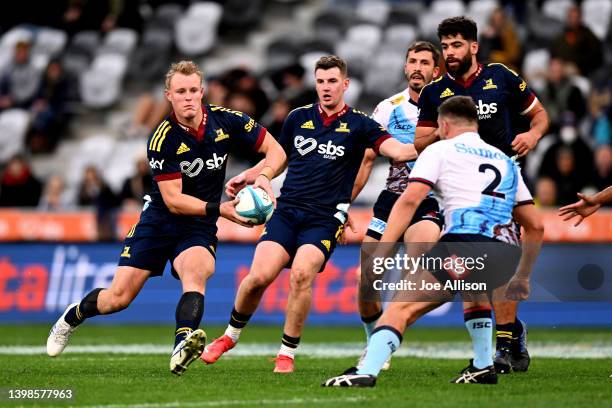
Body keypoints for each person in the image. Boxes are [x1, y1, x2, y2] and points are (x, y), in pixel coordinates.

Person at [46, 60, 287, 377]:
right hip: (159, 221)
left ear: (202, 92)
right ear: (168, 96)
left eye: (192, 90)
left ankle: (182, 344)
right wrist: (223, 209)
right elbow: (174, 201)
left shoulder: (227, 120)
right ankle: (72, 316)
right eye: (180, 92)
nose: (188, 97)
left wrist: (259, 175)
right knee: (118, 299)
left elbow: (277, 152)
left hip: (198, 224)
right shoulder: (163, 138)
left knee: (197, 270)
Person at [201, 55, 419, 373]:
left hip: (325, 218)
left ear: (345, 84)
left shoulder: (361, 125)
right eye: (320, 81)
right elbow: (279, 157)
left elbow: (398, 152)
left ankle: (286, 353)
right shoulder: (297, 118)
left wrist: (445, 139)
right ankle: (230, 336)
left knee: (302, 275)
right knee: (257, 278)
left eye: (332, 82)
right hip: (287, 211)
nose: (326, 88)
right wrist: (256, 175)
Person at [322, 95, 544, 387]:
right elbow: (536, 226)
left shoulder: (439, 150)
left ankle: (367, 371)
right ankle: (482, 365)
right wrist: (523, 277)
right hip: (504, 256)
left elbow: (409, 201)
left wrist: (381, 250)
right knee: (474, 293)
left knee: (400, 308)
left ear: (444, 124)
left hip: (463, 246)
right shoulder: (505, 161)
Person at [414, 16, 549, 374]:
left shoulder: (501, 77)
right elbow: (418, 142)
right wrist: (449, 128)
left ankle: (503, 346)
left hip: (501, 183)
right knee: (476, 276)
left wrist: (532, 137)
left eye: (457, 45)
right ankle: (508, 335)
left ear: (474, 47)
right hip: (458, 191)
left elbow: (539, 116)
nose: (450, 53)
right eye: (444, 46)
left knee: (503, 260)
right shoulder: (434, 92)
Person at [350, 41, 443, 371]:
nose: (417, 67)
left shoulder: (449, 108)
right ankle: (374, 341)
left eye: (424, 62)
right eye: (412, 61)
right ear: (405, 68)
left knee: (418, 270)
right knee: (366, 279)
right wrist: (344, 204)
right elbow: (366, 159)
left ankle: (386, 338)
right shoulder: (389, 108)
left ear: (436, 70)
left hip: (430, 200)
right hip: (391, 200)